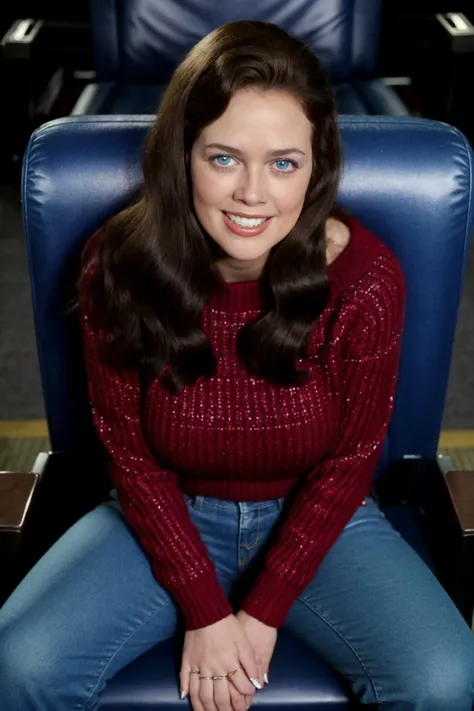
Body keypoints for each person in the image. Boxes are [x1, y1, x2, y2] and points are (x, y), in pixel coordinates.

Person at [1, 19, 474, 711]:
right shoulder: (118, 264)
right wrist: (204, 608)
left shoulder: (367, 280)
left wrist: (258, 615)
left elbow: (350, 461)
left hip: (320, 519)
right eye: (223, 158)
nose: (253, 194)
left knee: (444, 677)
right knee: (18, 664)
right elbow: (129, 455)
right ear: (182, 153)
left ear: (317, 168)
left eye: (284, 162)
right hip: (161, 511)